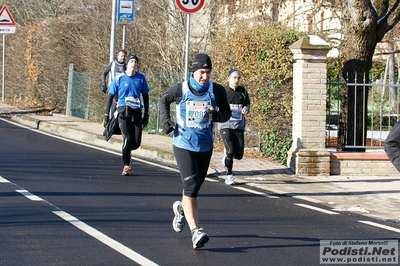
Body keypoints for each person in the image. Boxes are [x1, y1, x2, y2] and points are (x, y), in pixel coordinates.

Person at [159, 54, 231, 249]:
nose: (205, 77)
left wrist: (215, 114)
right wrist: (166, 122)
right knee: (190, 187)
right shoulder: (180, 89)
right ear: (194, 71)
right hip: (183, 144)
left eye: (208, 72)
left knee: (195, 188)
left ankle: (181, 208)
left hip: (205, 146)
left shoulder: (216, 90)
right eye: (201, 72)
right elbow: (163, 101)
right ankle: (195, 232)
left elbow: (227, 113)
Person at [103, 54, 150, 176]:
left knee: (136, 143)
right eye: (131, 61)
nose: (133, 64)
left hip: (136, 111)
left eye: (135, 62)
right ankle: (126, 165)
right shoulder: (119, 78)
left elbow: (145, 96)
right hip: (123, 111)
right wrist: (106, 114)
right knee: (127, 138)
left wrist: (146, 114)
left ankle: (127, 150)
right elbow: (110, 96)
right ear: (127, 64)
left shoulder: (141, 78)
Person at [218, 69, 250, 185]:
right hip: (225, 124)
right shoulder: (223, 91)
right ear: (228, 79)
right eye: (234, 77)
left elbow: (247, 103)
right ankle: (229, 175)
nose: (236, 80)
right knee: (230, 151)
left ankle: (226, 155)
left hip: (238, 125)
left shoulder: (243, 91)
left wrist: (246, 108)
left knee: (239, 155)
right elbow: (217, 105)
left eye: (238, 78)